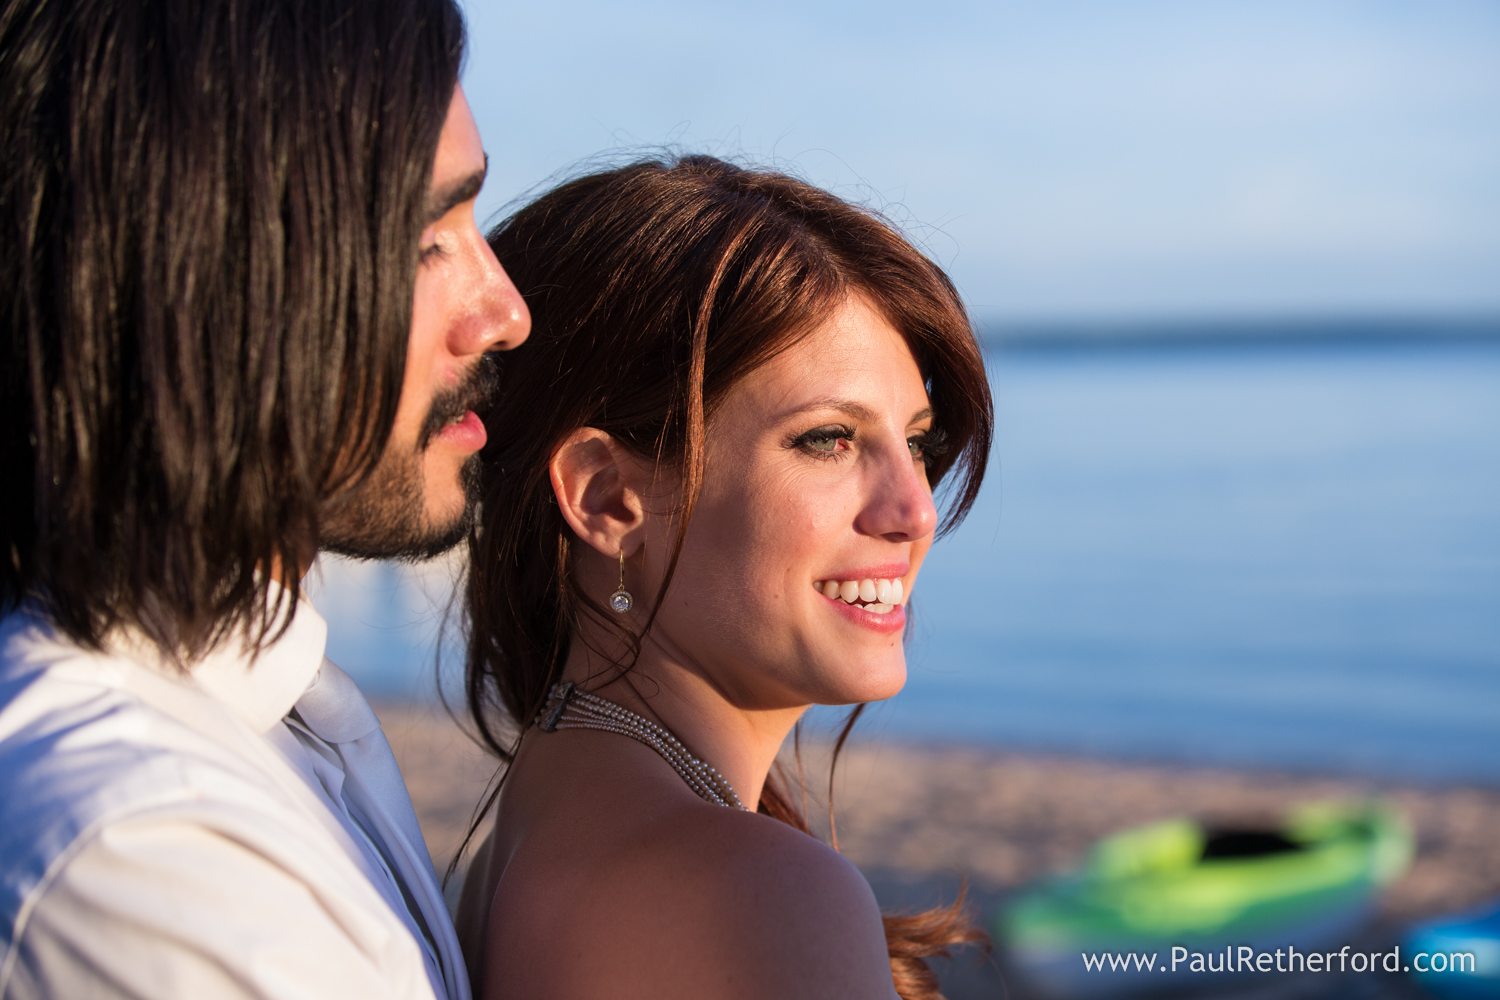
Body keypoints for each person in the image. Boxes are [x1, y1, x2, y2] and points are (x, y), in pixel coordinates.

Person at [0, 1, 529, 997]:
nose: (505, 312)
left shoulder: (275, 700)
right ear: (199, 274)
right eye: (426, 243)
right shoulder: (141, 849)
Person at [456, 155, 994, 999]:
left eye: (917, 442)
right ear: (607, 496)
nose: (915, 511)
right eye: (828, 439)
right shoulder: (753, 893)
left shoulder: (531, 831)